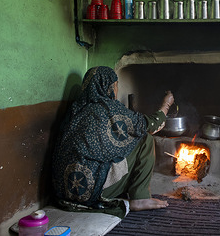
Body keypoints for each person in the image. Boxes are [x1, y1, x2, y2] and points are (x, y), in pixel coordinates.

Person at [52, 66, 173, 216]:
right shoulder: (109, 109)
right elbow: (153, 126)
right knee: (145, 138)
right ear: (109, 86)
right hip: (91, 193)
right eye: (116, 86)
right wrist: (166, 104)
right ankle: (140, 198)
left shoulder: (75, 109)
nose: (116, 90)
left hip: (66, 192)